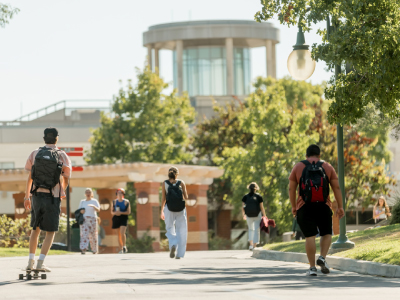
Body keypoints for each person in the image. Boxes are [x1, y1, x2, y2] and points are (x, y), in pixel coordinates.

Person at [289, 144, 344, 276]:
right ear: (319, 155)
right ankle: (322, 258)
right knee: (326, 233)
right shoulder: (327, 166)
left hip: (304, 206)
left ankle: (312, 267)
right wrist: (340, 206)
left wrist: (294, 206)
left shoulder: (298, 167)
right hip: (323, 205)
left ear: (306, 155)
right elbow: (336, 187)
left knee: (310, 236)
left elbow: (291, 189)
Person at [23, 127, 71, 272]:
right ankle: (40, 263)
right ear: (57, 139)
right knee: (50, 232)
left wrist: (27, 196)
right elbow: (67, 177)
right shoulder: (62, 155)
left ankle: (30, 262)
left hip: (36, 196)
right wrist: (62, 190)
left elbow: (30, 177)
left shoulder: (35, 153)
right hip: (53, 197)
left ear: (44, 138)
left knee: (35, 230)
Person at [161, 166, 188, 259]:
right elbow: (186, 196)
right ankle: (179, 254)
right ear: (177, 174)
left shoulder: (165, 183)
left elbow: (163, 199)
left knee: (169, 228)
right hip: (180, 209)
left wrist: (162, 211)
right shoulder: (181, 182)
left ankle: (173, 244)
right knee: (182, 230)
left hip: (169, 208)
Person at [242, 182, 266, 250]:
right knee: (256, 229)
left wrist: (243, 215)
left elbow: (243, 207)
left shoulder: (245, 197)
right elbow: (261, 207)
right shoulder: (259, 196)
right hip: (257, 215)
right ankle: (254, 246)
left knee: (250, 229)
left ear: (249, 188)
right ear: (256, 188)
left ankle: (250, 245)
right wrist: (264, 216)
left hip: (249, 215)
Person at [78, 188, 100, 254]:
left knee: (93, 234)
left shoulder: (94, 201)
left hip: (93, 219)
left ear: (92, 194)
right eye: (87, 192)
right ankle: (83, 248)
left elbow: (98, 209)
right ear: (85, 194)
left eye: (89, 192)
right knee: (84, 234)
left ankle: (94, 249)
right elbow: (79, 210)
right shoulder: (82, 202)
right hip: (84, 219)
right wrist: (81, 211)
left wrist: (94, 206)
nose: (88, 194)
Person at [111, 188, 131, 253]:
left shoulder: (126, 202)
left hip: (123, 217)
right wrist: (116, 213)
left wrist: (121, 212)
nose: (119, 194)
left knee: (122, 232)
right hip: (116, 217)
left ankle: (124, 246)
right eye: (118, 193)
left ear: (123, 194)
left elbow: (128, 212)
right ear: (116, 194)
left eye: (121, 193)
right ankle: (120, 248)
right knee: (118, 234)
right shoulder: (114, 202)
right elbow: (112, 212)